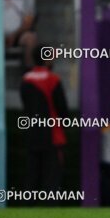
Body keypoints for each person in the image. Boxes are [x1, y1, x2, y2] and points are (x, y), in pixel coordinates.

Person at [20, 45, 68, 204]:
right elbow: (62, 109)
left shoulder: (26, 79)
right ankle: (51, 208)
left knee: (31, 174)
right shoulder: (53, 80)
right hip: (52, 135)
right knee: (52, 178)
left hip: (32, 134)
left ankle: (27, 208)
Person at [0, 0, 36, 68]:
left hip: (18, 35)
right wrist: (2, 35)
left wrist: (14, 35)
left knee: (30, 38)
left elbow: (28, 21)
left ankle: (30, 75)